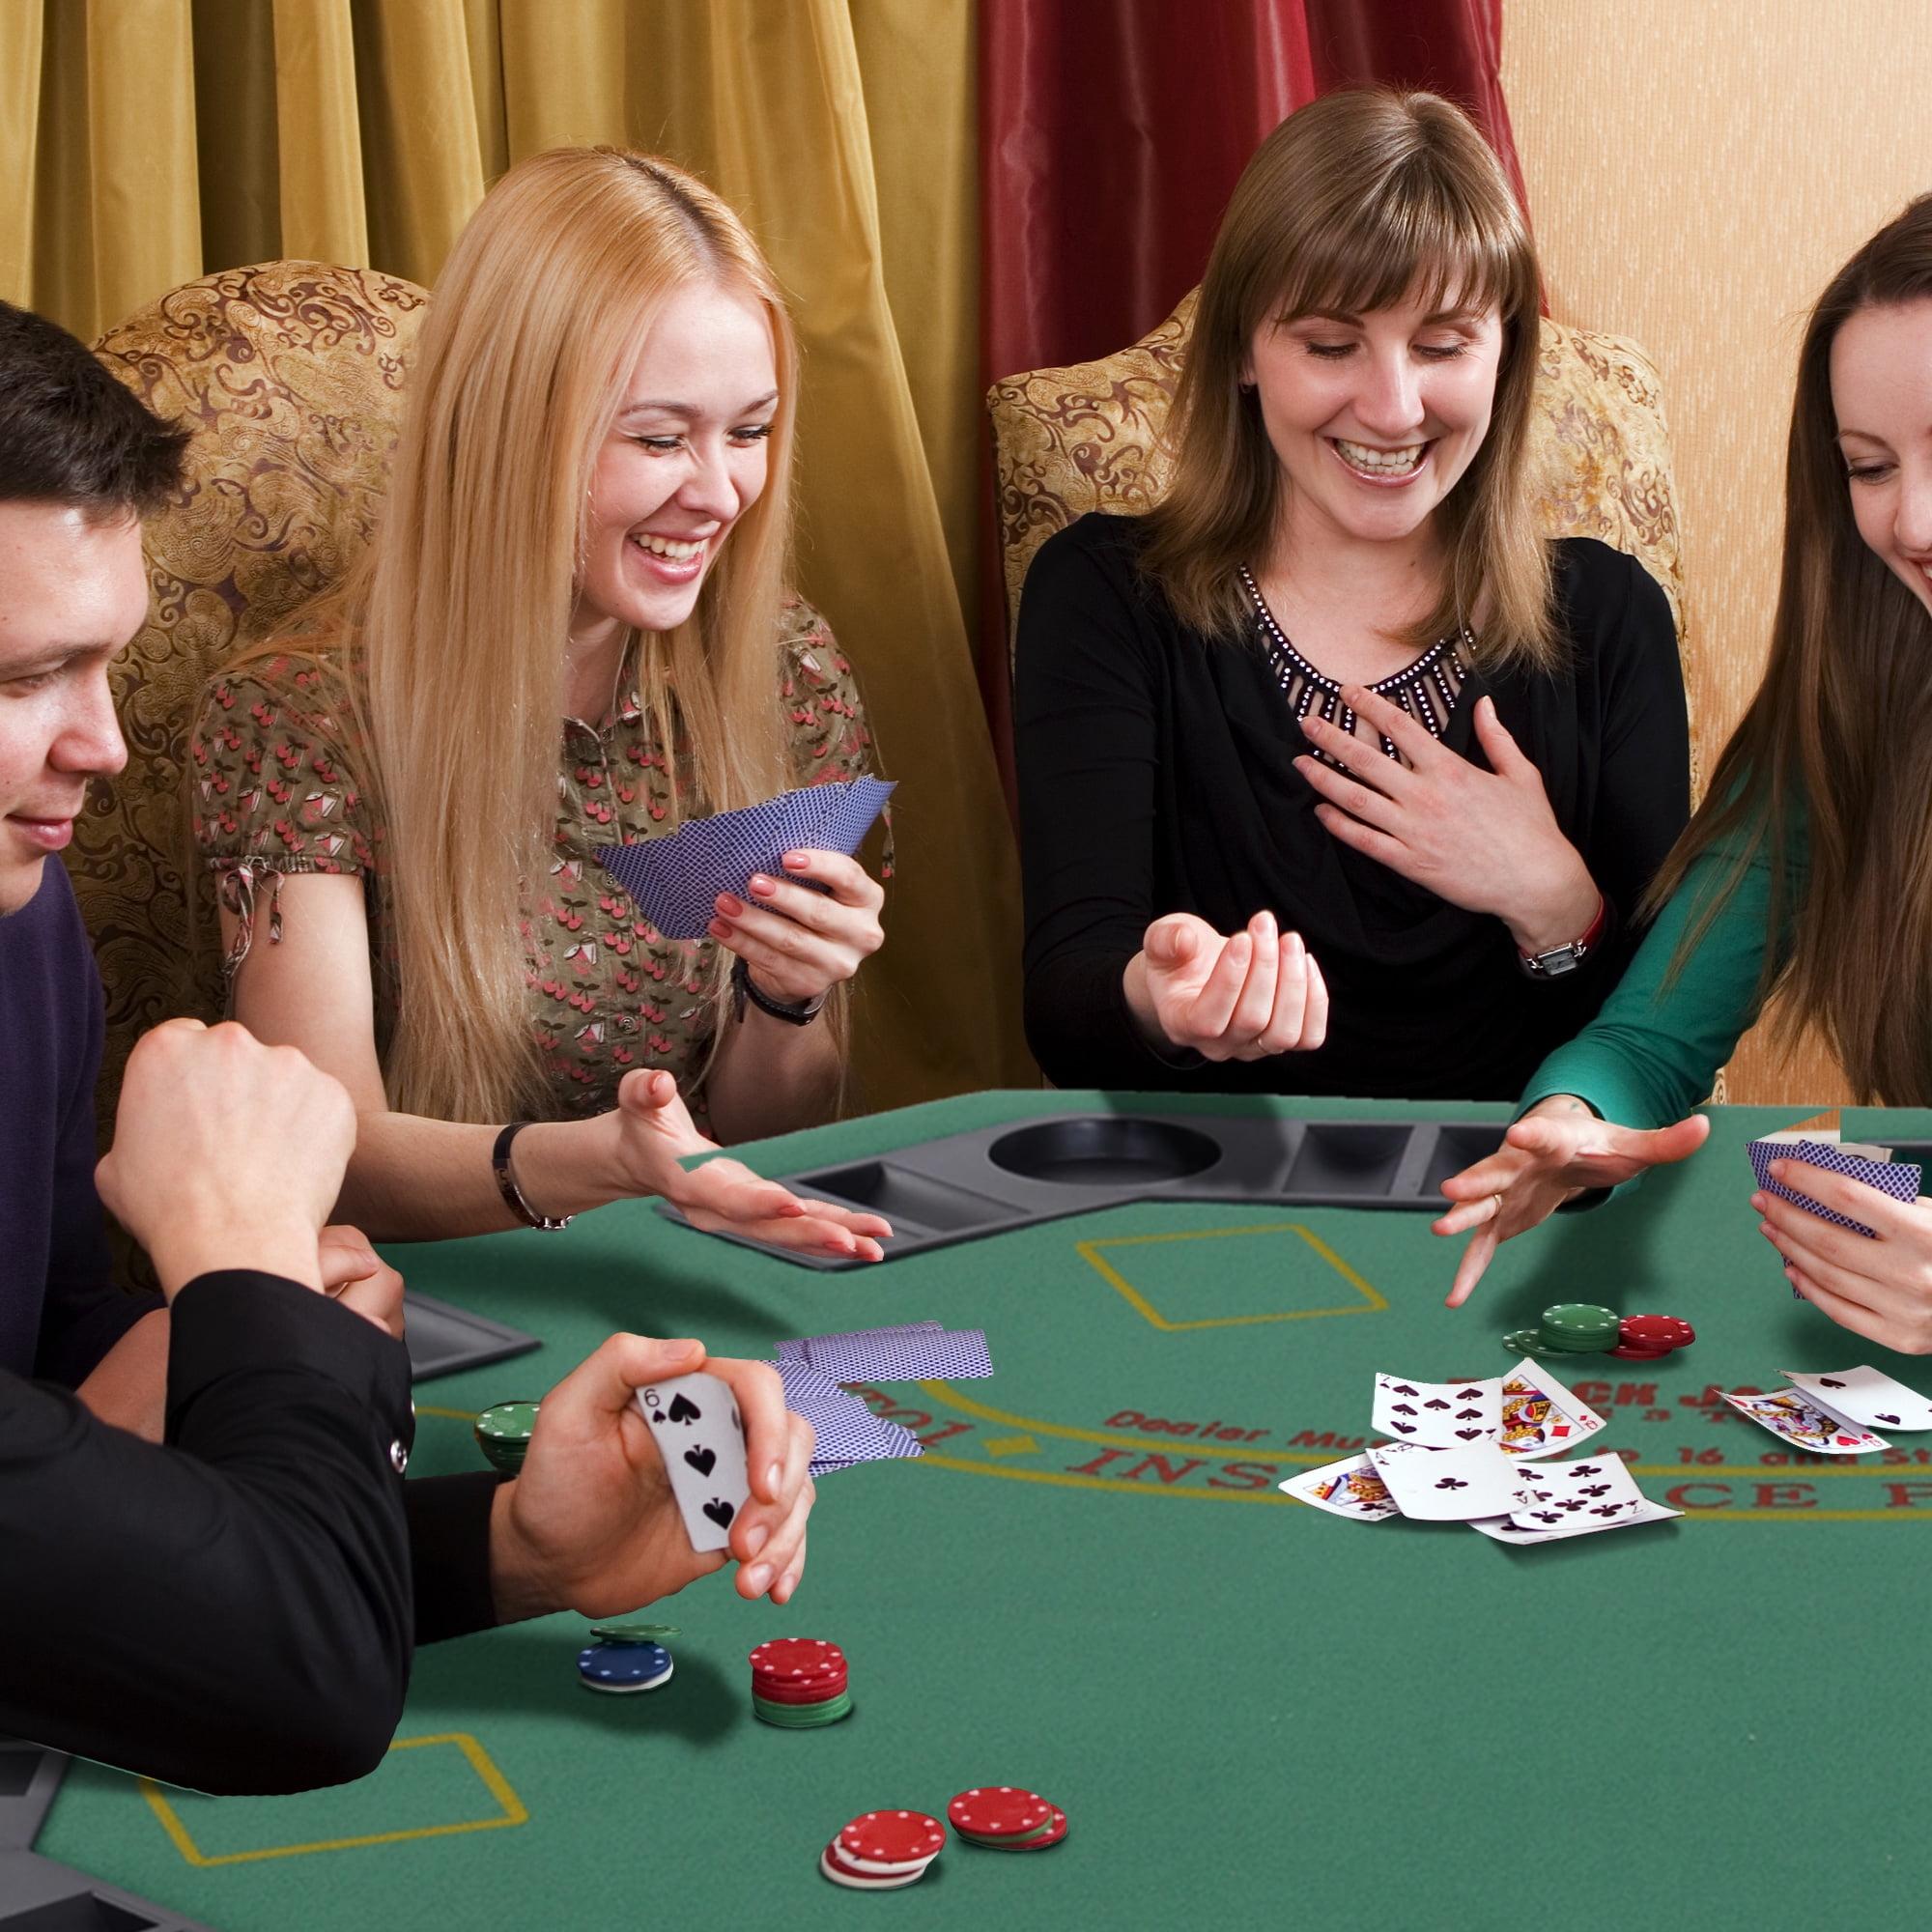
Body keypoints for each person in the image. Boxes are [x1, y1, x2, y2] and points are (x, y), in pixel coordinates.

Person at [0, 298, 814, 1794]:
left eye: (104, 666)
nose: (103, 745)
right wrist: (251, 1271)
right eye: (20, 681)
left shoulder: (17, 911)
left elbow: (50, 1386)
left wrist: (509, 1544)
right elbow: (297, 1693)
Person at [190, 149, 892, 1251]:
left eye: (748, 431)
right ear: (506, 428)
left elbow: (777, 1129)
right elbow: (324, 1164)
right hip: (447, 1319)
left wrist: (787, 997)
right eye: (659, 437)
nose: (719, 494)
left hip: (705, 1274)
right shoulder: (297, 716)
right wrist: (600, 1161)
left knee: (893, 1425)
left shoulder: (785, 663)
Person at [1013, 89, 1689, 1102]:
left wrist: (1553, 898)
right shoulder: (1106, 596)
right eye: (1329, 346)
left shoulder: (1608, 616)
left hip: (1526, 1207)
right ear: (1242, 348)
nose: (1391, 407)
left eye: (1441, 344)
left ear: (1504, 356)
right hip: (1211, 1218)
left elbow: (1669, 1040)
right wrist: (1163, 1001)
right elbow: (1065, 1010)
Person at [1434, 193, 1932, 1355]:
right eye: (1866, 465)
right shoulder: (1845, 710)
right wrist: (1570, 1120)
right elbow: (1650, 1042)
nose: (1911, 519)